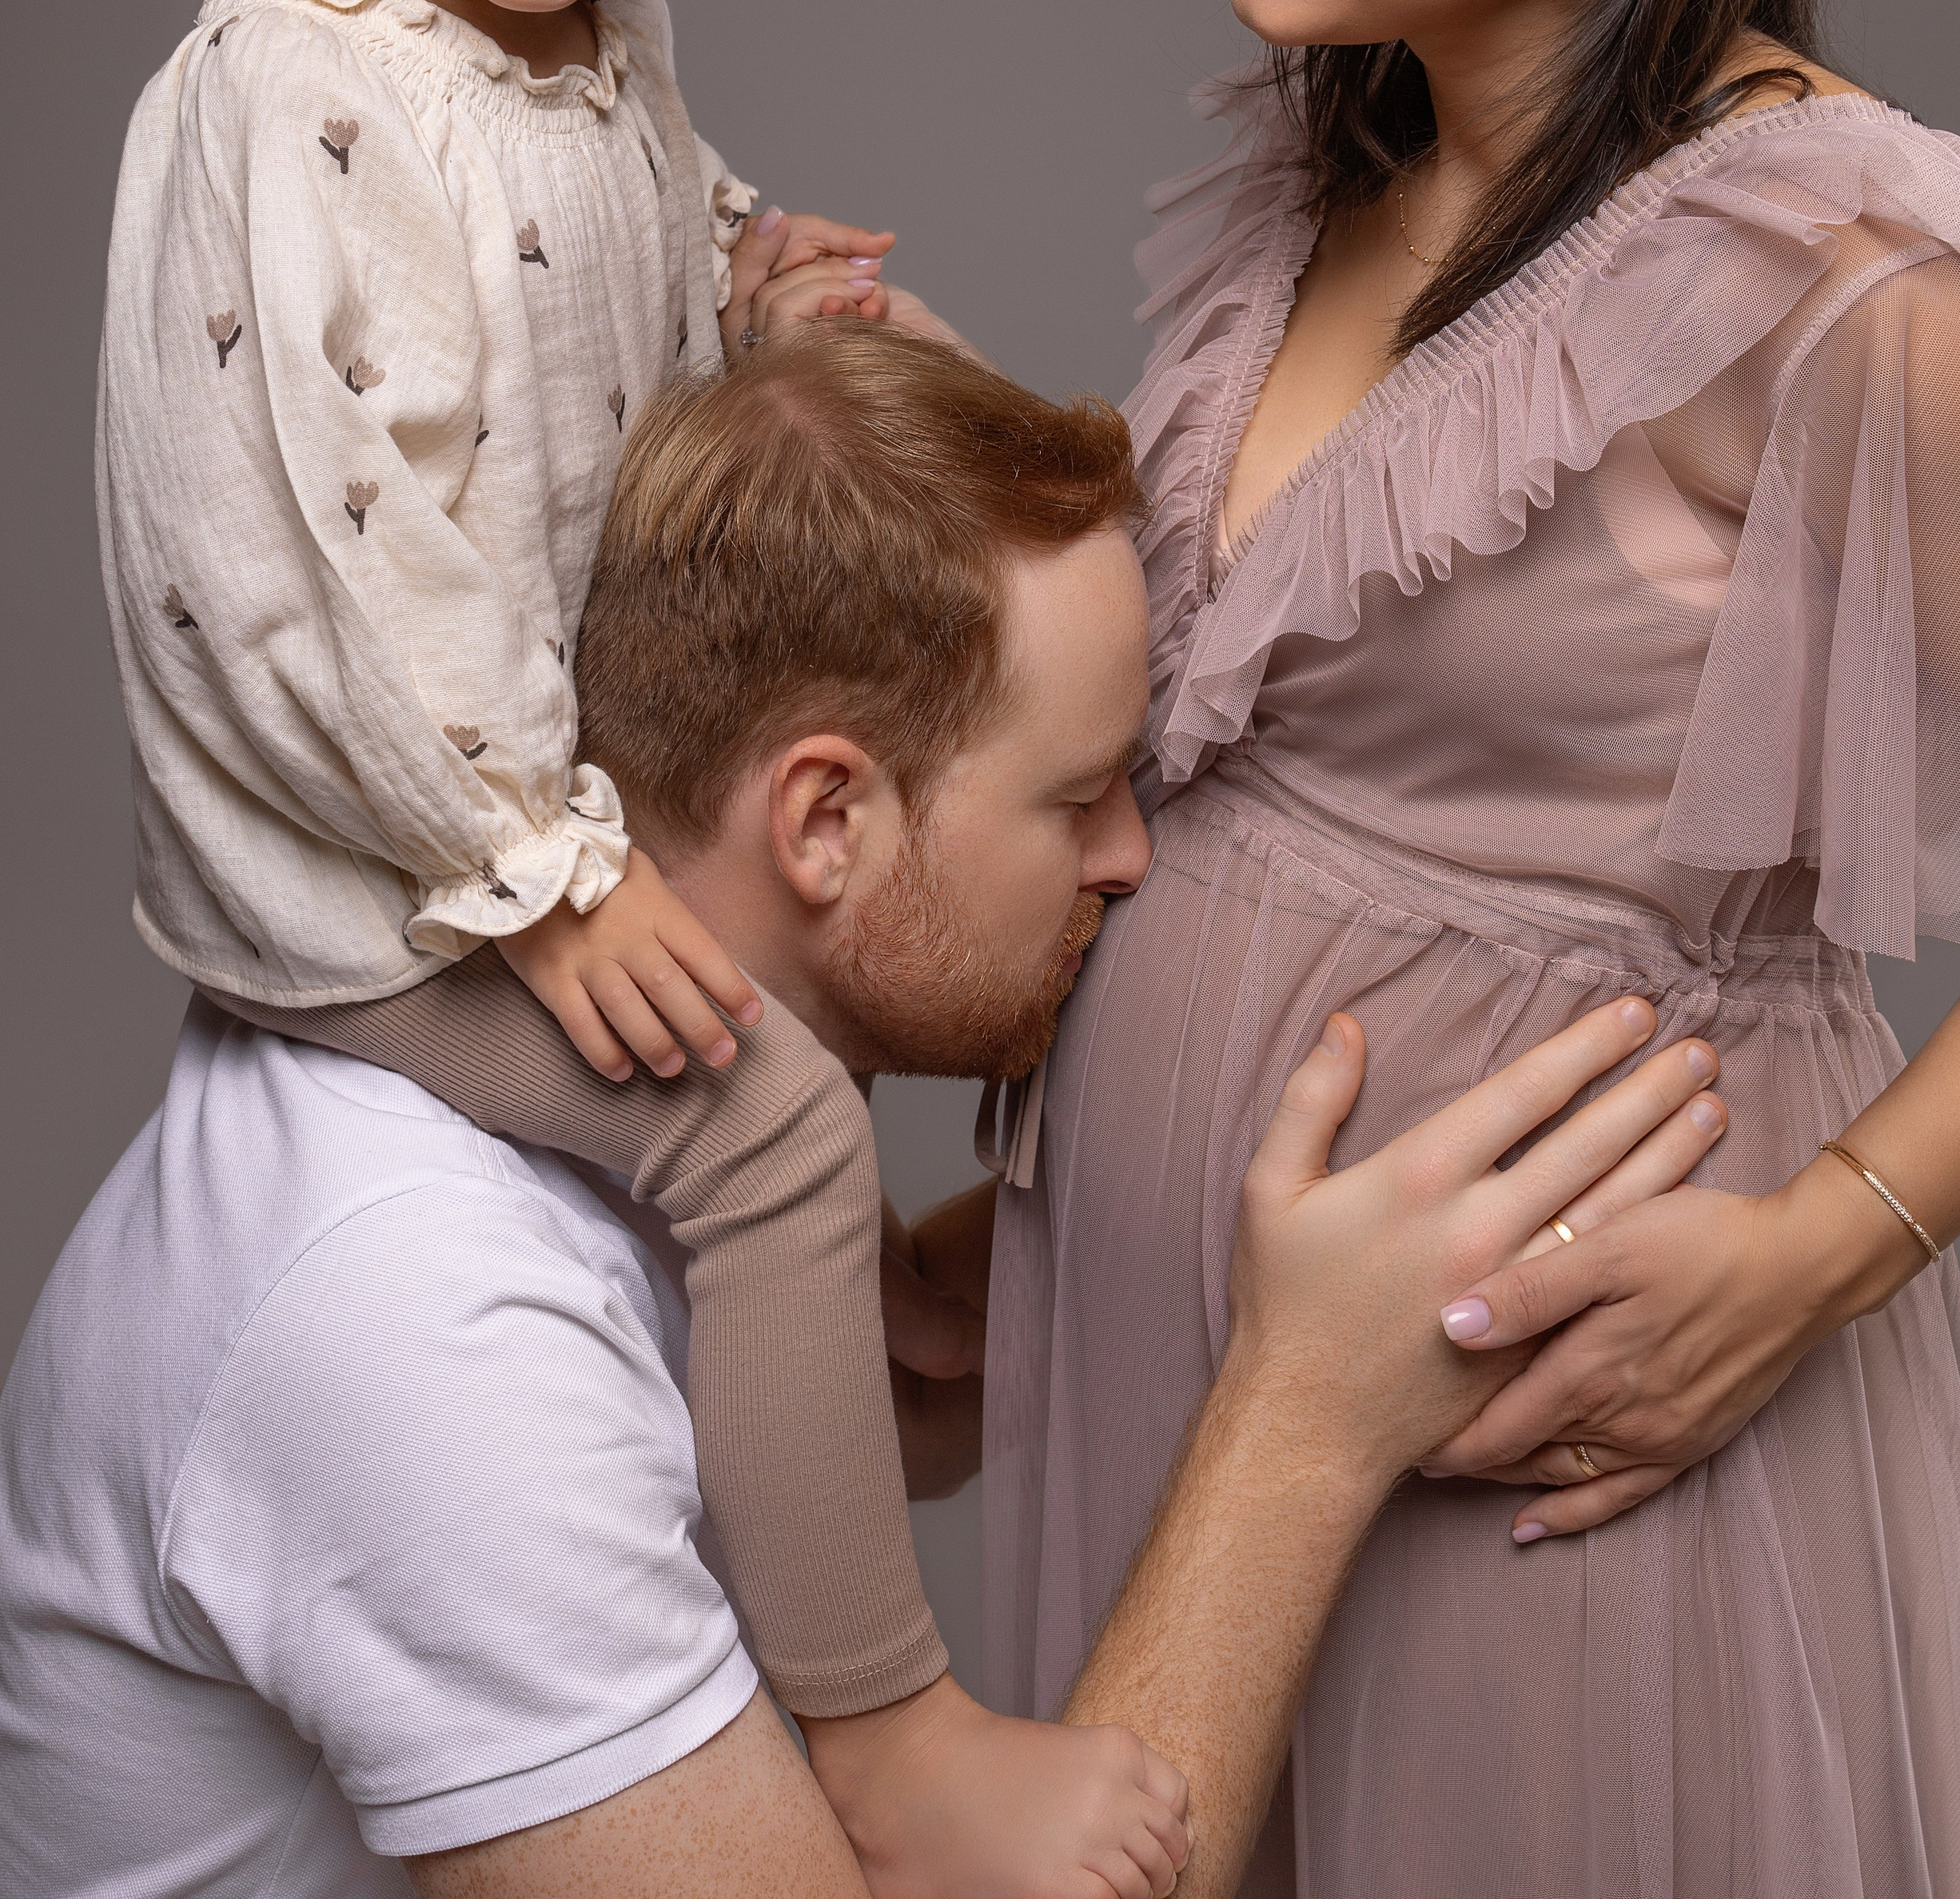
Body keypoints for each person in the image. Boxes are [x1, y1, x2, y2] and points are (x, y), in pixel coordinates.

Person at [1, 326, 1730, 1897]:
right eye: (1077, 797)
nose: (1129, 860)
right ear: (822, 820)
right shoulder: (424, 1313)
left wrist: (1032, 1308)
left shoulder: (623, 1157)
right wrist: (1303, 1427)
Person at [91, 0, 1159, 1889]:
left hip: (515, 821)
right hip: (374, 882)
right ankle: (889, 1739)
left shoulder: (586, 43)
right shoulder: (286, 104)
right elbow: (320, 568)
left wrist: (748, 283)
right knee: (774, 1124)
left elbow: (606, 271)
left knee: (778, 1121)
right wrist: (540, 874)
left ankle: (880, 1375)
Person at [983, 0, 1960, 1897]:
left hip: (1534, 1440)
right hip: (1202, 1384)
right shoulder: (1319, 161)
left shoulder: (1853, 281)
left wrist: (1808, 1263)